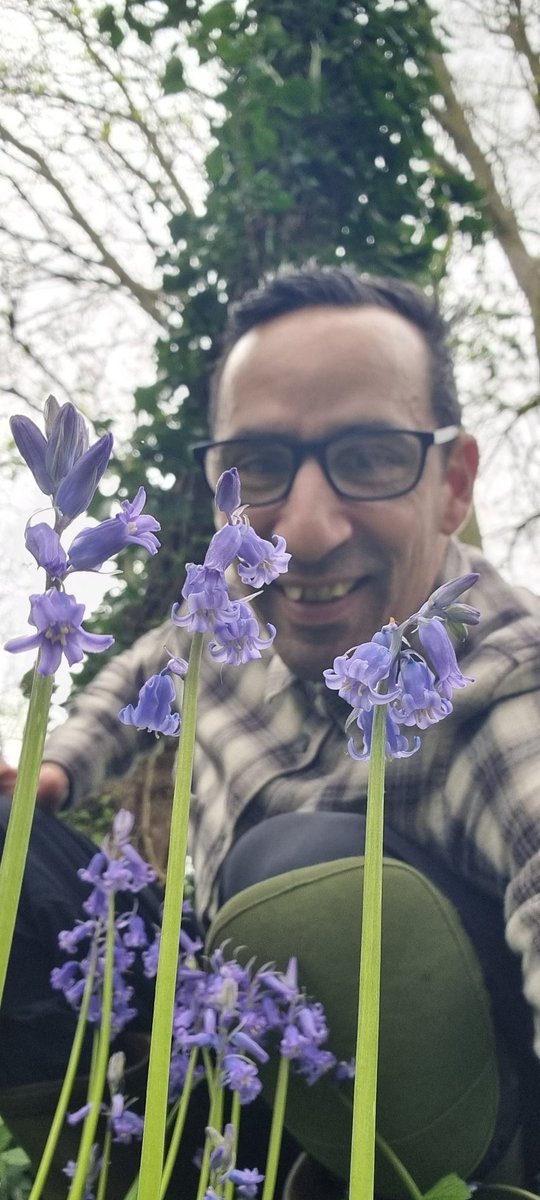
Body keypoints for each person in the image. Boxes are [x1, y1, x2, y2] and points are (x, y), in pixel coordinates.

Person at [2, 264, 540, 1197]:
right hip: (211, 1020)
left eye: (371, 455)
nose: (308, 528)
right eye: (257, 466)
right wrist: (52, 772)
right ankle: (97, 1154)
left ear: (453, 485)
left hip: (430, 1119)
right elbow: (135, 672)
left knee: (301, 869)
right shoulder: (226, 623)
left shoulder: (508, 687)